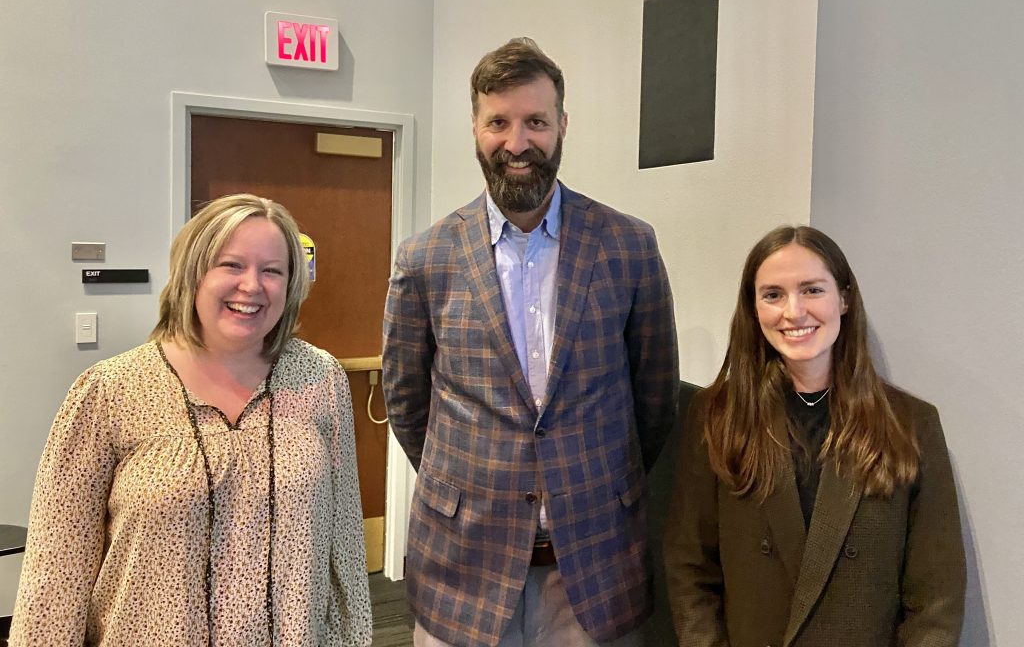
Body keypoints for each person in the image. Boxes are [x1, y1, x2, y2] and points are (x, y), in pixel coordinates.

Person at [383, 37, 679, 647]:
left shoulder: (628, 246)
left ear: (562, 124)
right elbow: (408, 404)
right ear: (475, 127)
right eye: (499, 122)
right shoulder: (424, 258)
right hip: (463, 565)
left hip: (593, 567)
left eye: (536, 122)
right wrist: (470, 485)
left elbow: (654, 400)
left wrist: (591, 480)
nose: (518, 143)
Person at [11, 194, 372, 646]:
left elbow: (344, 544)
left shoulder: (321, 377)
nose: (252, 285)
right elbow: (56, 570)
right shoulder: (109, 390)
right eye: (231, 265)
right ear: (193, 275)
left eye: (273, 270)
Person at [663, 225, 965, 647]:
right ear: (753, 309)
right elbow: (690, 566)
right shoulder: (716, 415)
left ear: (843, 298)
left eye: (812, 290)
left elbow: (936, 598)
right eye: (773, 295)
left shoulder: (910, 422)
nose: (794, 312)